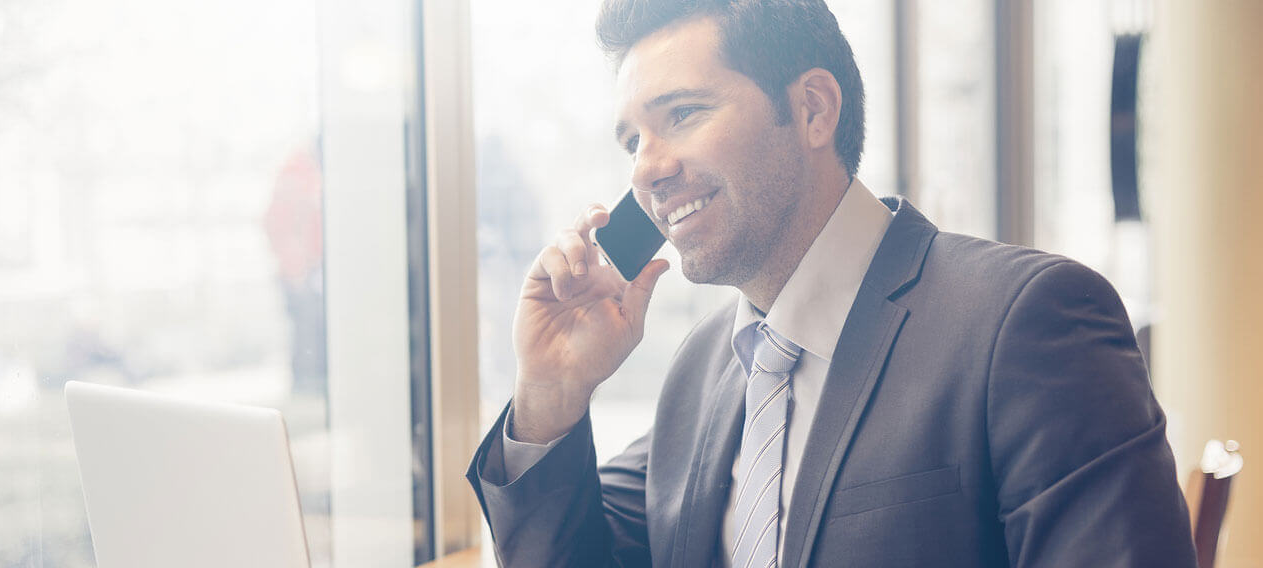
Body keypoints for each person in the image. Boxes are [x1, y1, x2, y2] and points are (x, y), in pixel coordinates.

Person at [464, 1, 1198, 567]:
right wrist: (552, 396)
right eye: (631, 140)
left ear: (813, 109)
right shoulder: (704, 371)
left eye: (680, 115)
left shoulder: (1027, 323)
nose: (645, 168)